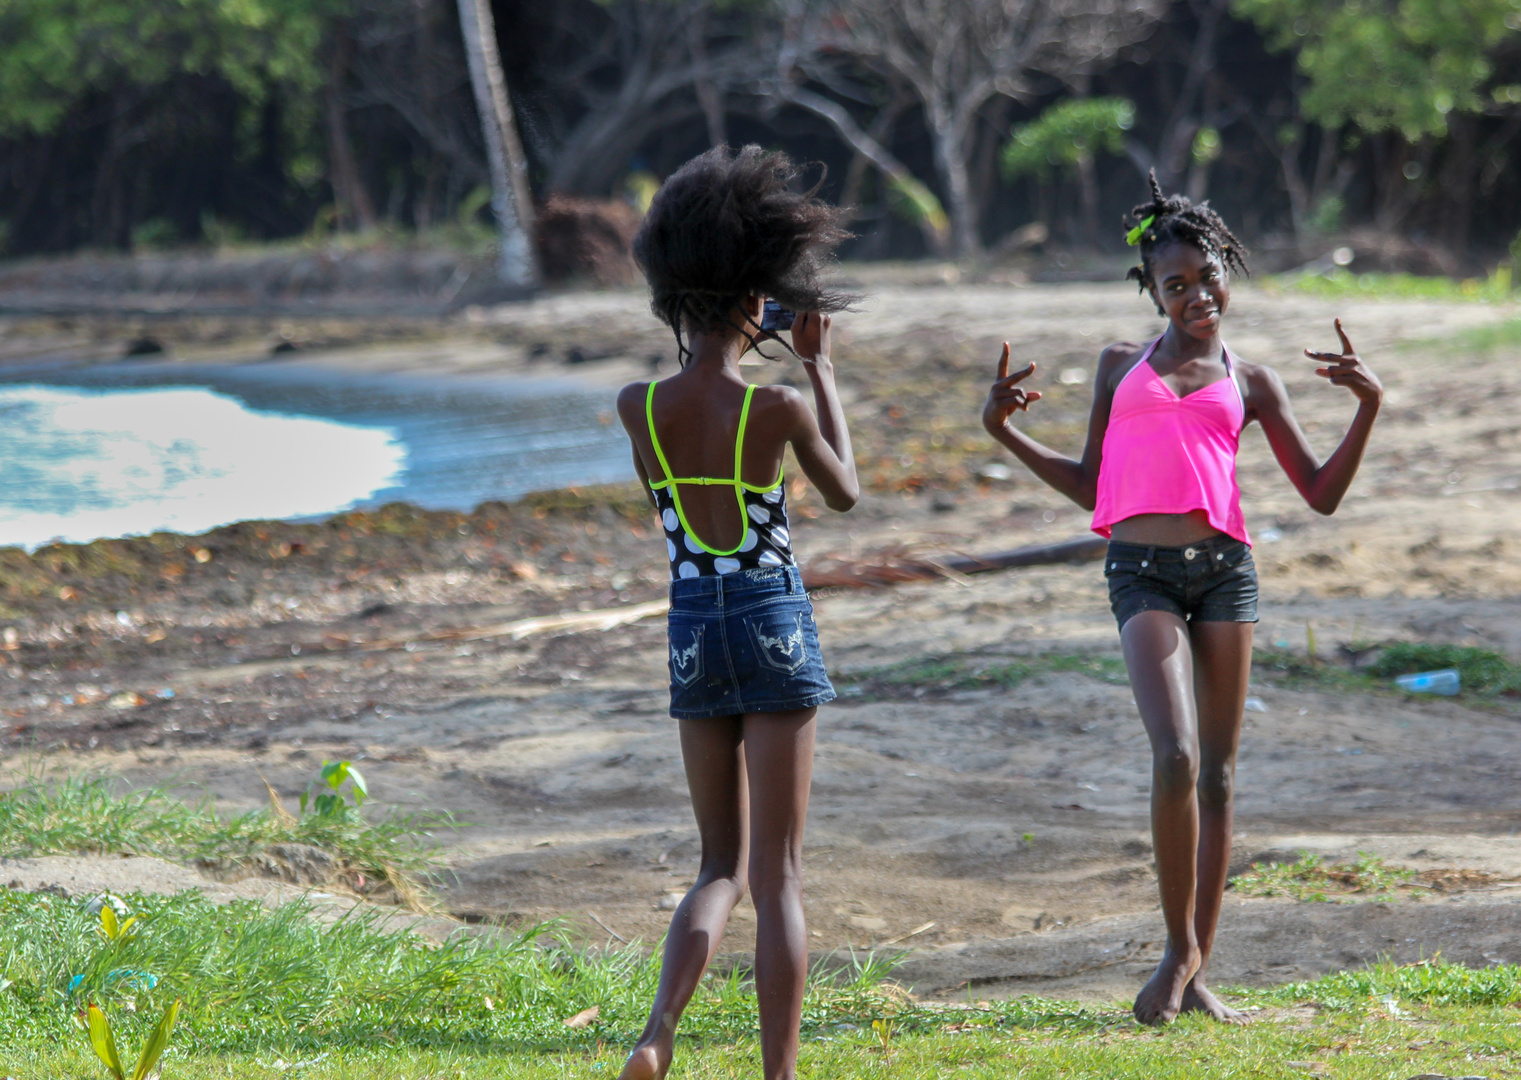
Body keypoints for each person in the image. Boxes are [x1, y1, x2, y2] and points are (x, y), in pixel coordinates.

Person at [980, 173, 1382, 1025]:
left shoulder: (1255, 380)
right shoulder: (1118, 367)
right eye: (1176, 285)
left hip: (1226, 571)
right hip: (1142, 574)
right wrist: (1004, 432)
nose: (1197, 296)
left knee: (1223, 775)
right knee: (1174, 757)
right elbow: (1090, 482)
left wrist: (1368, 407)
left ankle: (1197, 972)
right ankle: (1176, 951)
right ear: (1152, 293)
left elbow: (1317, 493)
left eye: (1207, 278)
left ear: (1226, 269)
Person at [613, 144, 859, 1080]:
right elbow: (844, 495)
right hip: (770, 612)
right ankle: (780, 1075)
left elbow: (668, 511)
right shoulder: (781, 408)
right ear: (755, 297)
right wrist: (819, 374)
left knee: (717, 865)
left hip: (690, 625)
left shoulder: (639, 407)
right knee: (779, 875)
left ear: (675, 295)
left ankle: (657, 1033)